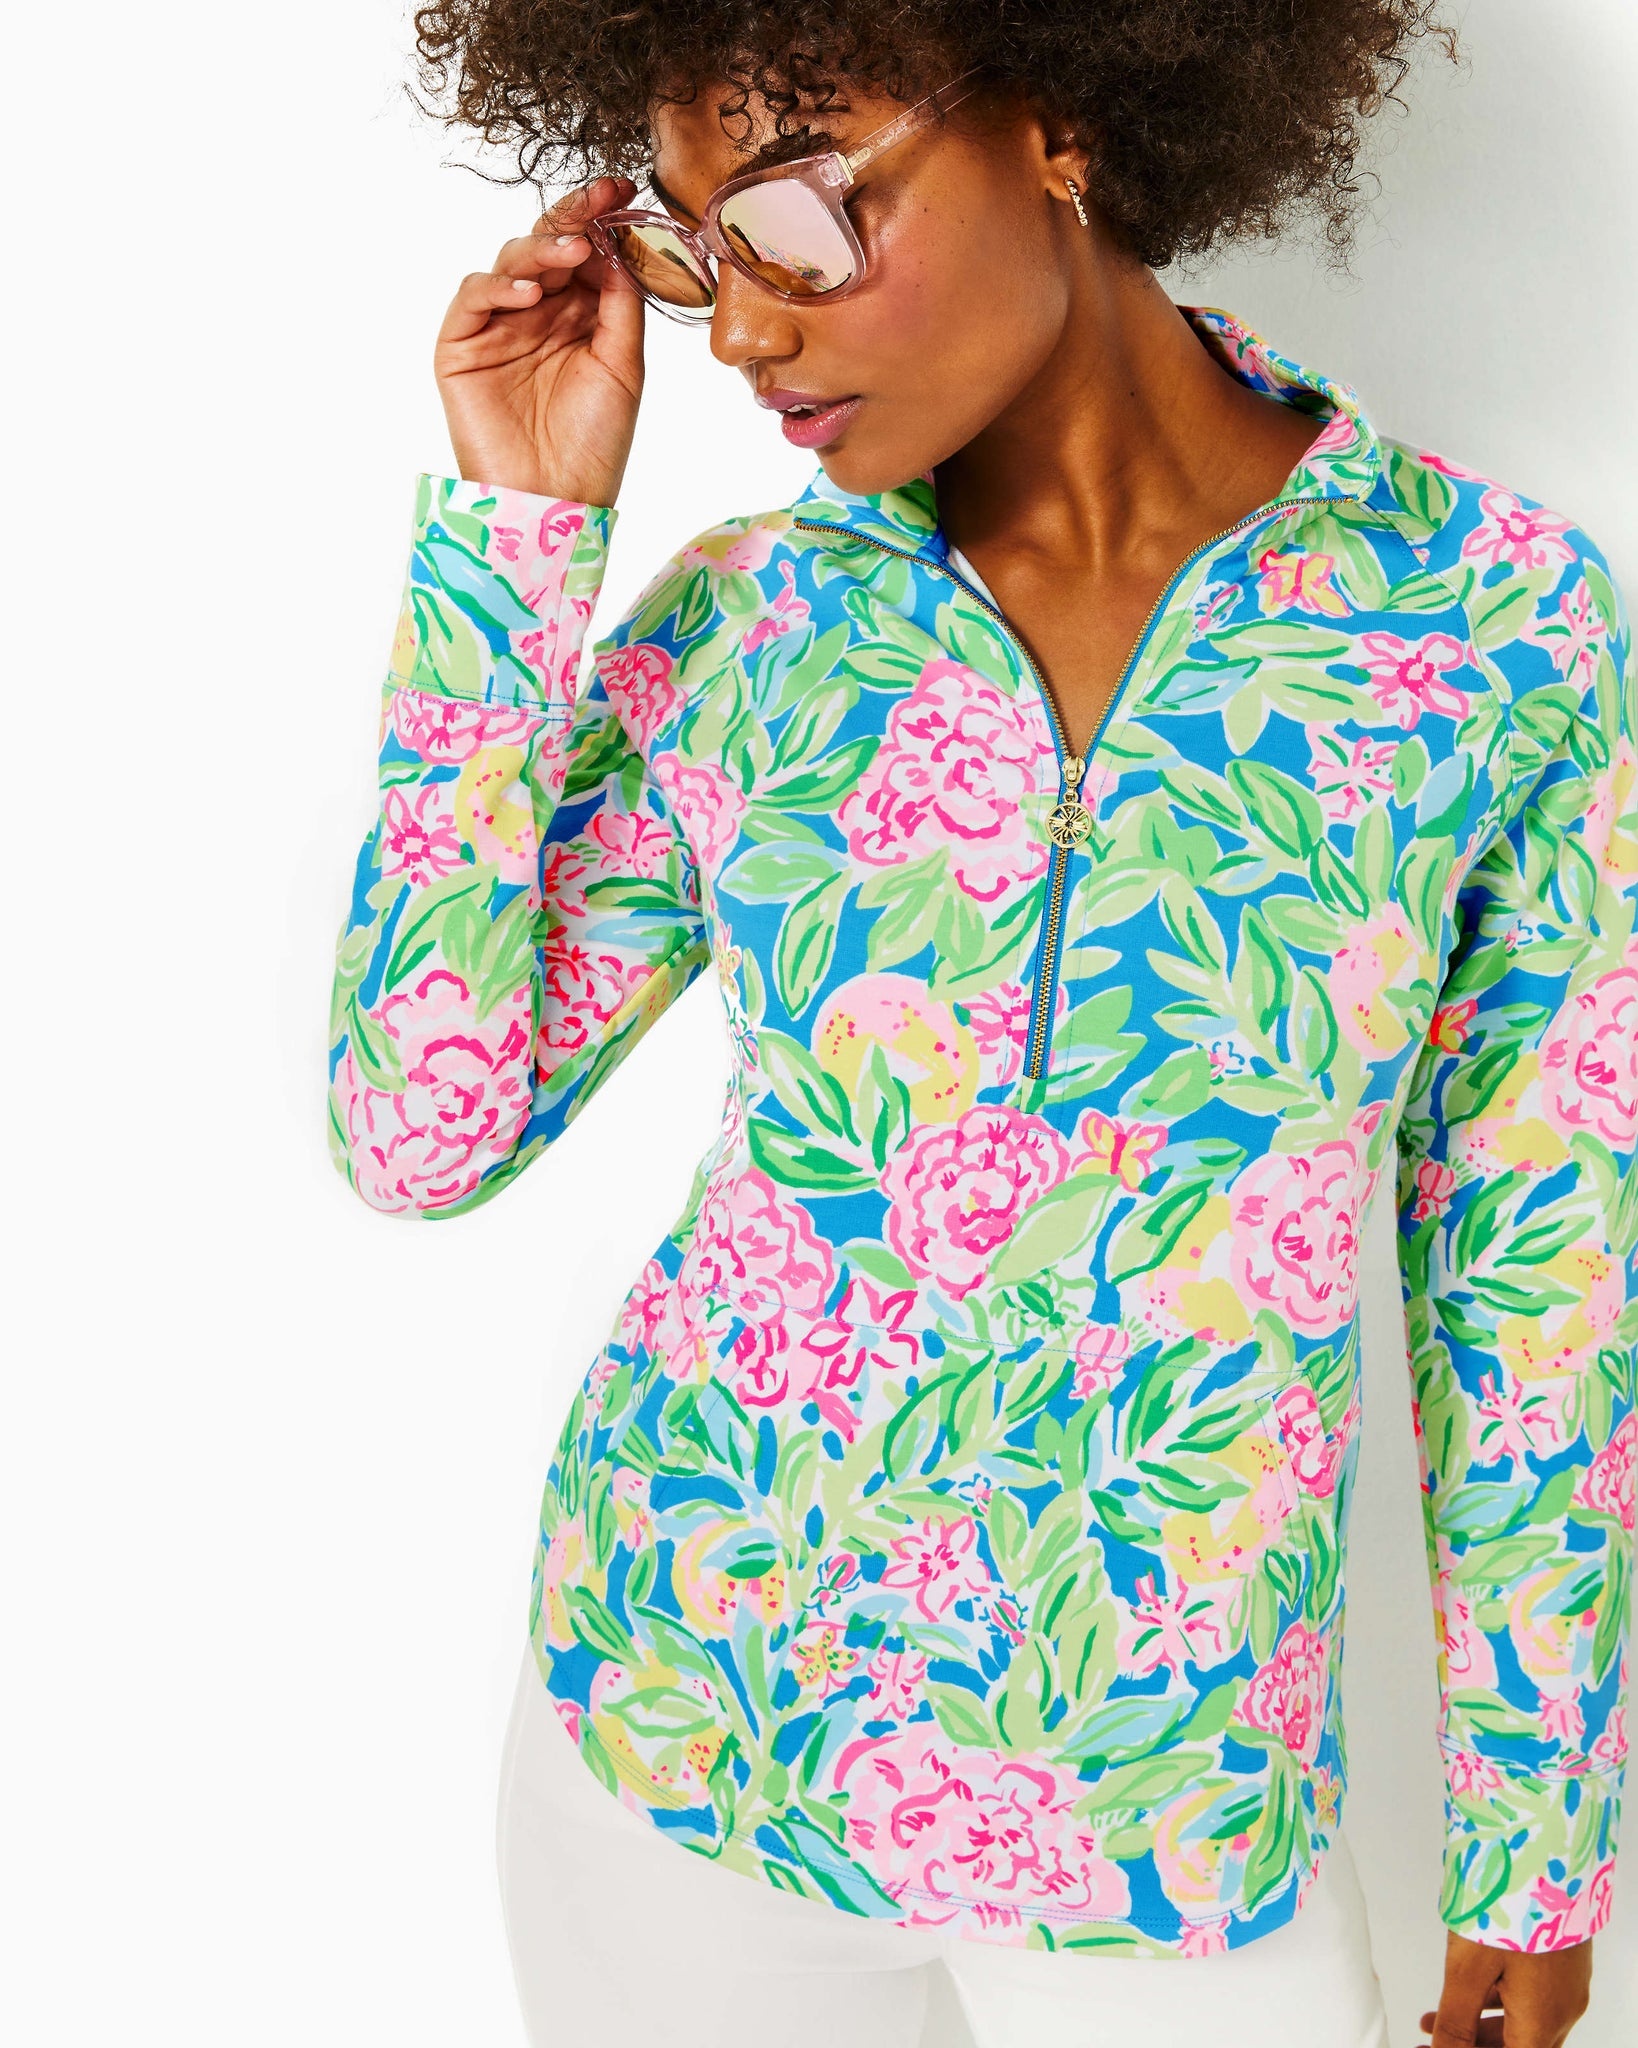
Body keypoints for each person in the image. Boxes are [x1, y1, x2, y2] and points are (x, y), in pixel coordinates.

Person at [327, 7, 1636, 2045]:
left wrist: (1537, 1844)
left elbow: (1532, 1284)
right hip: (674, 1744)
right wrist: (517, 542)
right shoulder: (754, 621)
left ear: (1061, 120)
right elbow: (420, 1138)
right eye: (693, 249)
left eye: (794, 221)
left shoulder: (1494, 631)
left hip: (1172, 1834)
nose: (740, 331)